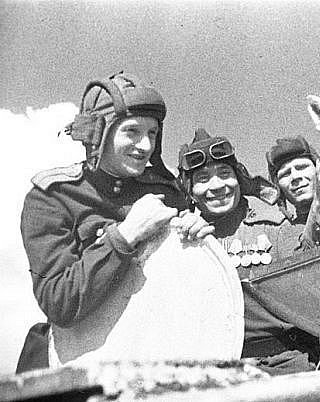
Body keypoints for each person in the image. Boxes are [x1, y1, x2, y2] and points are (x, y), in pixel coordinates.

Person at [16, 73, 208, 373]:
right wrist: (125, 235)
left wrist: (196, 241)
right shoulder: (53, 197)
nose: (145, 145)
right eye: (132, 131)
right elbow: (59, 302)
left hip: (154, 354)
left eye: (153, 133)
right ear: (100, 133)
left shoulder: (169, 194)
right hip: (77, 361)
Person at [177, 129, 320, 374]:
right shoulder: (182, 242)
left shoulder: (276, 228)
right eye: (202, 178)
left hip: (288, 363)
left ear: (239, 180)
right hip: (218, 370)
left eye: (225, 174)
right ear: (190, 191)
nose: (217, 186)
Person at [265, 136, 318, 243]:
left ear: (319, 169)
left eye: (302, 167)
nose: (295, 177)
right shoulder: (279, 238)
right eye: (285, 174)